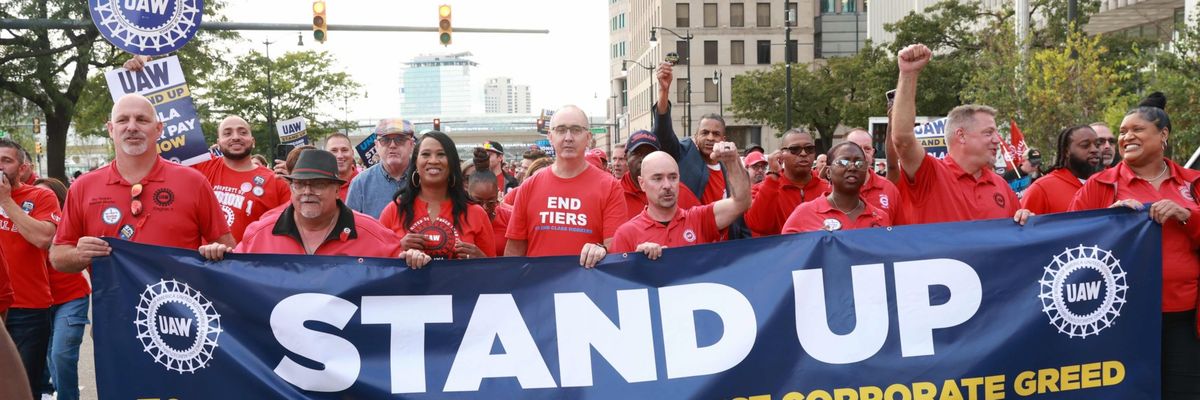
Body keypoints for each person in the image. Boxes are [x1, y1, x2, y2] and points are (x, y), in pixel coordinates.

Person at [1069, 93, 1199, 399]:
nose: (1126, 137)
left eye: (1137, 129)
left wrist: (1187, 216)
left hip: (1185, 318)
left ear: (1163, 135)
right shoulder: (1099, 184)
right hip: (1121, 318)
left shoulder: (1193, 182)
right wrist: (1108, 221)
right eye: (1123, 131)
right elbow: (1071, 243)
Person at [51, 94, 235, 274]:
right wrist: (79, 255)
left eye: (141, 120)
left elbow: (227, 248)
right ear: (111, 129)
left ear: (158, 128)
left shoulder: (193, 182)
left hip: (178, 294)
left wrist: (216, 252)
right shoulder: (83, 187)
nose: (132, 127)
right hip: (112, 295)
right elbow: (58, 256)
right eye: (122, 120)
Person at [889, 44, 1031, 225]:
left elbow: (1015, 235)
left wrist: (1025, 221)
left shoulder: (1001, 185)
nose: (997, 140)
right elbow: (903, 139)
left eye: (996, 133)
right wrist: (908, 74)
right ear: (961, 136)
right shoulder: (930, 174)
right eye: (988, 133)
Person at [199, 150, 403, 260]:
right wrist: (218, 257)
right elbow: (234, 275)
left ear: (337, 190)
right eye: (299, 184)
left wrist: (412, 259)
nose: (307, 191)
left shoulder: (373, 234)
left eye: (318, 184)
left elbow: (403, 269)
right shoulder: (259, 234)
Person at [505, 105, 625, 268]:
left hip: (588, 282)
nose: (568, 137)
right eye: (561, 130)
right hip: (540, 282)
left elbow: (616, 250)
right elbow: (514, 254)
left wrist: (601, 250)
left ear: (588, 137)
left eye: (576, 130)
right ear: (550, 136)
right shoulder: (529, 186)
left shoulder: (610, 187)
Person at [610, 144, 751, 258]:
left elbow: (741, 202)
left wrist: (732, 161)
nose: (667, 185)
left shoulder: (699, 219)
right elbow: (615, 280)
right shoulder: (626, 234)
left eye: (673, 177)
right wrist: (636, 261)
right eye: (657, 178)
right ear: (642, 183)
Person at [380, 132, 495, 268]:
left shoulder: (476, 213)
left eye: (441, 154)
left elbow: (493, 273)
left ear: (452, 163)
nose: (433, 160)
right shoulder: (394, 211)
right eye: (426, 154)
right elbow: (376, 266)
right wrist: (398, 249)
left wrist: (481, 260)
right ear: (415, 162)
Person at [0, 139, 60, 396]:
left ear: (22, 168)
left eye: (6, 160)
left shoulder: (41, 196)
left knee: (24, 387)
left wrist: (6, 201)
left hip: (28, 309)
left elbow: (43, 238)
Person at [29, 177, 86, 400]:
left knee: (61, 355)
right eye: (37, 197)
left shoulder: (69, 224)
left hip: (71, 298)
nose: (42, 199)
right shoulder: (24, 223)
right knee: (46, 358)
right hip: (37, 303)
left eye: (47, 196)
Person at [192, 116, 291, 242]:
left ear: (253, 141)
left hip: (252, 254)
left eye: (243, 132)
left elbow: (295, 225)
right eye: (227, 133)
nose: (235, 137)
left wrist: (297, 183)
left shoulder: (277, 181)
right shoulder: (203, 165)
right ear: (218, 143)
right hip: (203, 254)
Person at [653, 63, 732, 205]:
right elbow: (663, 133)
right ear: (696, 136)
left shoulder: (730, 168)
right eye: (705, 133)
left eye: (716, 134)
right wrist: (663, 91)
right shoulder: (684, 153)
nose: (710, 138)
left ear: (723, 139)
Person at [783, 142, 891, 233]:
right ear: (828, 172)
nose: (852, 167)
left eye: (859, 163)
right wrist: (814, 242)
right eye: (843, 162)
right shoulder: (804, 213)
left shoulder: (881, 218)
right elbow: (787, 250)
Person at [744, 129, 829, 236]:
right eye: (795, 149)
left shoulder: (829, 190)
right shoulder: (760, 190)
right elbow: (758, 226)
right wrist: (772, 178)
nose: (803, 153)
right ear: (781, 155)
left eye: (809, 149)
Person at [619, 130, 701, 222]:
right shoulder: (615, 193)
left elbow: (700, 223)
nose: (643, 159)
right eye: (637, 153)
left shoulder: (679, 191)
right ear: (626, 158)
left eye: (650, 153)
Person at [1020, 125, 1101, 214]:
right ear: (1066, 151)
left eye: (1097, 145)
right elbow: (1024, 222)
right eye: (1085, 145)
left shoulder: (1107, 186)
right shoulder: (1041, 189)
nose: (1094, 150)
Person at [347, 119, 415, 218]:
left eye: (400, 140)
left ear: (411, 144)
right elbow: (350, 224)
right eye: (385, 140)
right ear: (376, 145)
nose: (392, 145)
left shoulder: (423, 178)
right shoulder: (360, 183)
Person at [844, 128, 903, 223]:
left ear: (872, 152)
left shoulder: (889, 189)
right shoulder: (830, 188)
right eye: (855, 148)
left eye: (867, 149)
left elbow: (900, 230)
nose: (862, 153)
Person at [467, 149, 511, 257]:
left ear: (498, 193)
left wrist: (483, 259)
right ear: (467, 193)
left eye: (491, 202)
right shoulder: (458, 218)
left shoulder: (509, 217)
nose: (484, 207)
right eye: (478, 202)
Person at [325, 132, 359, 200]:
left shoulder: (366, 183)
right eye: (334, 150)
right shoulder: (318, 185)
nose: (339, 156)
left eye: (344, 150)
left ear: (352, 153)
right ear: (325, 154)